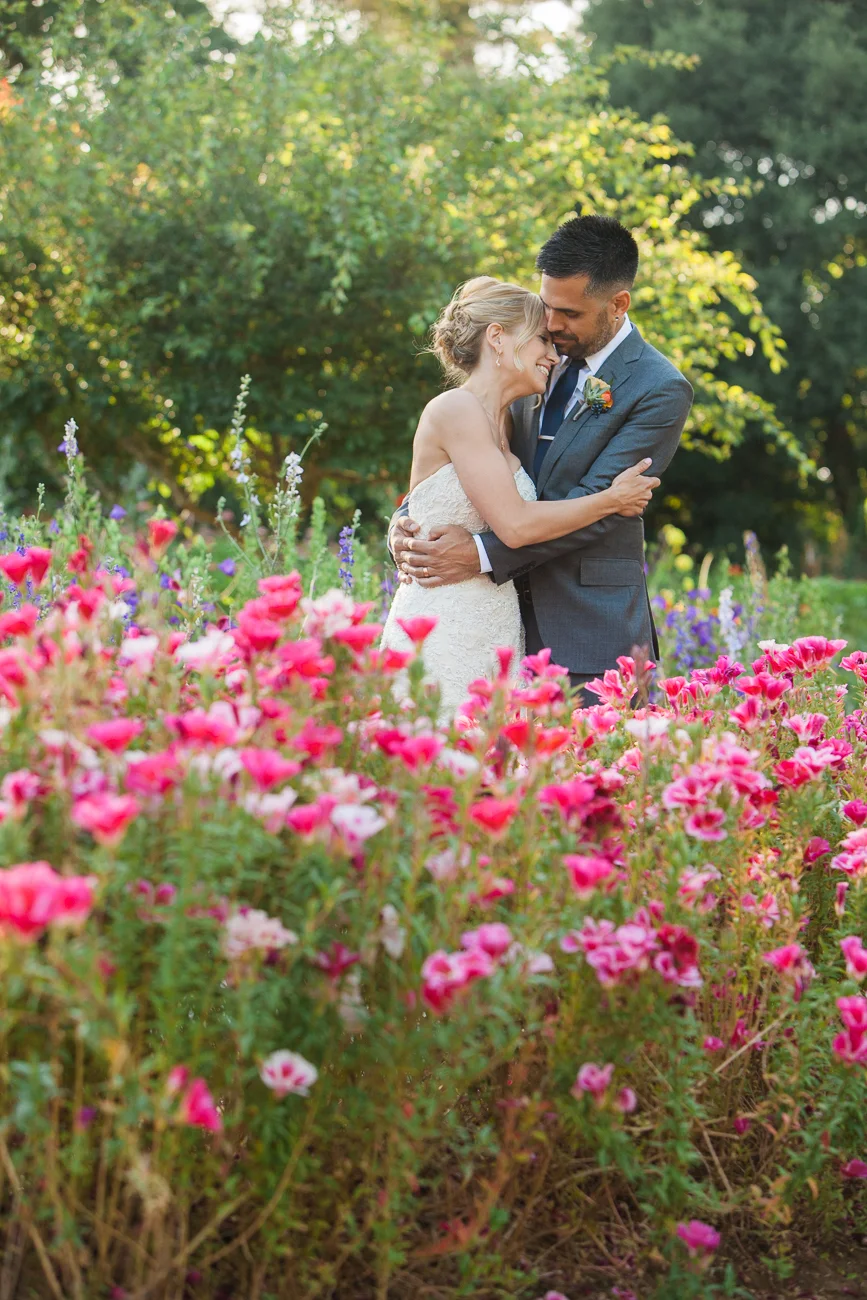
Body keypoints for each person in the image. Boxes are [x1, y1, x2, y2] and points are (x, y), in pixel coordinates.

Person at [390, 215, 694, 705]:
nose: (553, 326)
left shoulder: (658, 388)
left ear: (618, 304)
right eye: (547, 308)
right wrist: (409, 528)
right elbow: (463, 467)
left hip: (588, 631)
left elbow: (598, 508)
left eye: (570, 314)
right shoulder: (524, 357)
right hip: (491, 624)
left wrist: (481, 555)